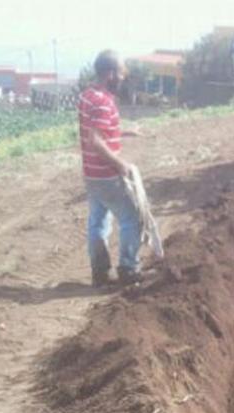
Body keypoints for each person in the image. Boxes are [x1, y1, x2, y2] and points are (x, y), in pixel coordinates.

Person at [78, 49, 145, 287]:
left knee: (98, 221)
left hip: (91, 174)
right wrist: (120, 164)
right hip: (106, 175)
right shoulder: (103, 102)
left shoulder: (88, 95)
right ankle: (128, 268)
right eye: (121, 73)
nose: (123, 78)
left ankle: (100, 272)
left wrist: (126, 131)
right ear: (110, 74)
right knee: (132, 218)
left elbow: (96, 130)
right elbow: (95, 141)